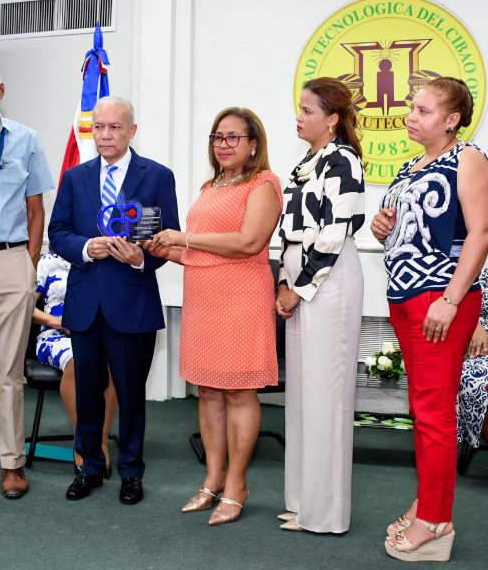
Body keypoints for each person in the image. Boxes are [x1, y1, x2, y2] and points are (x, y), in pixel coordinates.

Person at [145, 107, 282, 525]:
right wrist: (162, 249)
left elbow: (248, 242)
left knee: (239, 393)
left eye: (233, 137)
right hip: (203, 298)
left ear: (253, 144)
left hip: (242, 299)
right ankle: (213, 478)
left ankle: (237, 483)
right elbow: (200, 252)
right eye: (217, 137)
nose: (223, 144)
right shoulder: (210, 186)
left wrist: (183, 238)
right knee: (207, 391)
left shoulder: (264, 183)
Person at [371, 77, 488, 562]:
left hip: (439, 299)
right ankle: (427, 502)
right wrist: (382, 228)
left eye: (423, 110)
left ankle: (436, 520)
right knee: (423, 410)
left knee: (435, 413)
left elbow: (481, 233)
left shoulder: (468, 158)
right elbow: (406, 233)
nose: (411, 117)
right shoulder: (410, 165)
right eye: (411, 108)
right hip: (405, 297)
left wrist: (452, 299)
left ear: (452, 119)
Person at [48, 95, 180, 504]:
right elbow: (58, 232)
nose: (105, 135)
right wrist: (87, 248)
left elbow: (168, 238)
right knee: (87, 391)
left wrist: (141, 259)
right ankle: (89, 467)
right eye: (99, 127)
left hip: (132, 303)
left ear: (132, 131)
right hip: (86, 303)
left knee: (131, 395)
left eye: (115, 127)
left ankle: (131, 472)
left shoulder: (157, 176)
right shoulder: (75, 178)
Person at [275, 77, 365, 533]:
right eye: (300, 108)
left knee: (326, 398)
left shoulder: (343, 160)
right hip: (301, 279)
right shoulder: (305, 162)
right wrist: (283, 281)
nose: (299, 117)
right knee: (302, 396)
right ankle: (302, 502)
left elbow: (332, 235)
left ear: (331, 119)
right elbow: (289, 230)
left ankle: (326, 514)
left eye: (308, 110)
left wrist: (299, 286)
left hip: (327, 282)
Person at [0, 60, 54, 498]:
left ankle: (12, 465)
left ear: (0, 90)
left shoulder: (25, 139)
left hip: (11, 261)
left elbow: (36, 210)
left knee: (8, 373)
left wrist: (29, 265)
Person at [33, 248, 118, 475]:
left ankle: (100, 440)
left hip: (94, 333)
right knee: (77, 359)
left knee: (113, 362)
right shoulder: (47, 262)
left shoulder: (100, 257)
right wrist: (55, 321)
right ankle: (84, 442)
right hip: (56, 335)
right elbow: (23, 307)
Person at [457, 266, 488, 449]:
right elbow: (470, 303)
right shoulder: (485, 275)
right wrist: (475, 326)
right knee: (469, 377)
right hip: (483, 350)